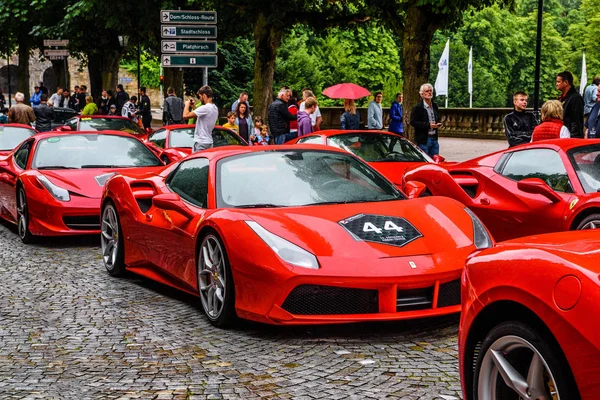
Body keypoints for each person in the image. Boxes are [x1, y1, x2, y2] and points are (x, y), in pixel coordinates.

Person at [182, 85, 219, 152]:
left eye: (200, 96)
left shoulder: (205, 108)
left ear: (204, 95)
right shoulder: (215, 108)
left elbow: (185, 116)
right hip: (209, 141)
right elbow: (201, 116)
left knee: (197, 162)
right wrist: (193, 106)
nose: (199, 99)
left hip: (201, 142)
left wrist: (187, 104)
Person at [410, 83, 441, 157]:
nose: (429, 92)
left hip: (434, 138)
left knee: (435, 161)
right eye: (427, 91)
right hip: (424, 140)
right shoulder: (418, 108)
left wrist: (438, 124)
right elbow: (413, 122)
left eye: (430, 91)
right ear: (422, 94)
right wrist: (428, 125)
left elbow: (437, 117)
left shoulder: (434, 106)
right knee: (425, 160)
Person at [556, 70, 584, 138]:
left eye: (558, 82)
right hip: (562, 134)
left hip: (571, 137)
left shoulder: (576, 98)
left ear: (566, 82)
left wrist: (574, 138)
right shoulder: (561, 98)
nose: (556, 84)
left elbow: (576, 121)